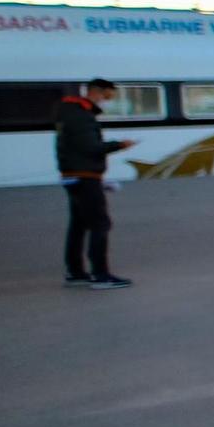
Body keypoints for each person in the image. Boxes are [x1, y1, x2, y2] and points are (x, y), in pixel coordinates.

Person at [55, 78, 136, 290]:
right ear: (97, 92)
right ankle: (100, 275)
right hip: (85, 176)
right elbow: (90, 147)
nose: (108, 101)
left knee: (79, 225)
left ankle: (75, 272)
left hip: (72, 175)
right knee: (100, 224)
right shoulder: (81, 116)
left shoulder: (70, 113)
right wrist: (119, 145)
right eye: (108, 96)